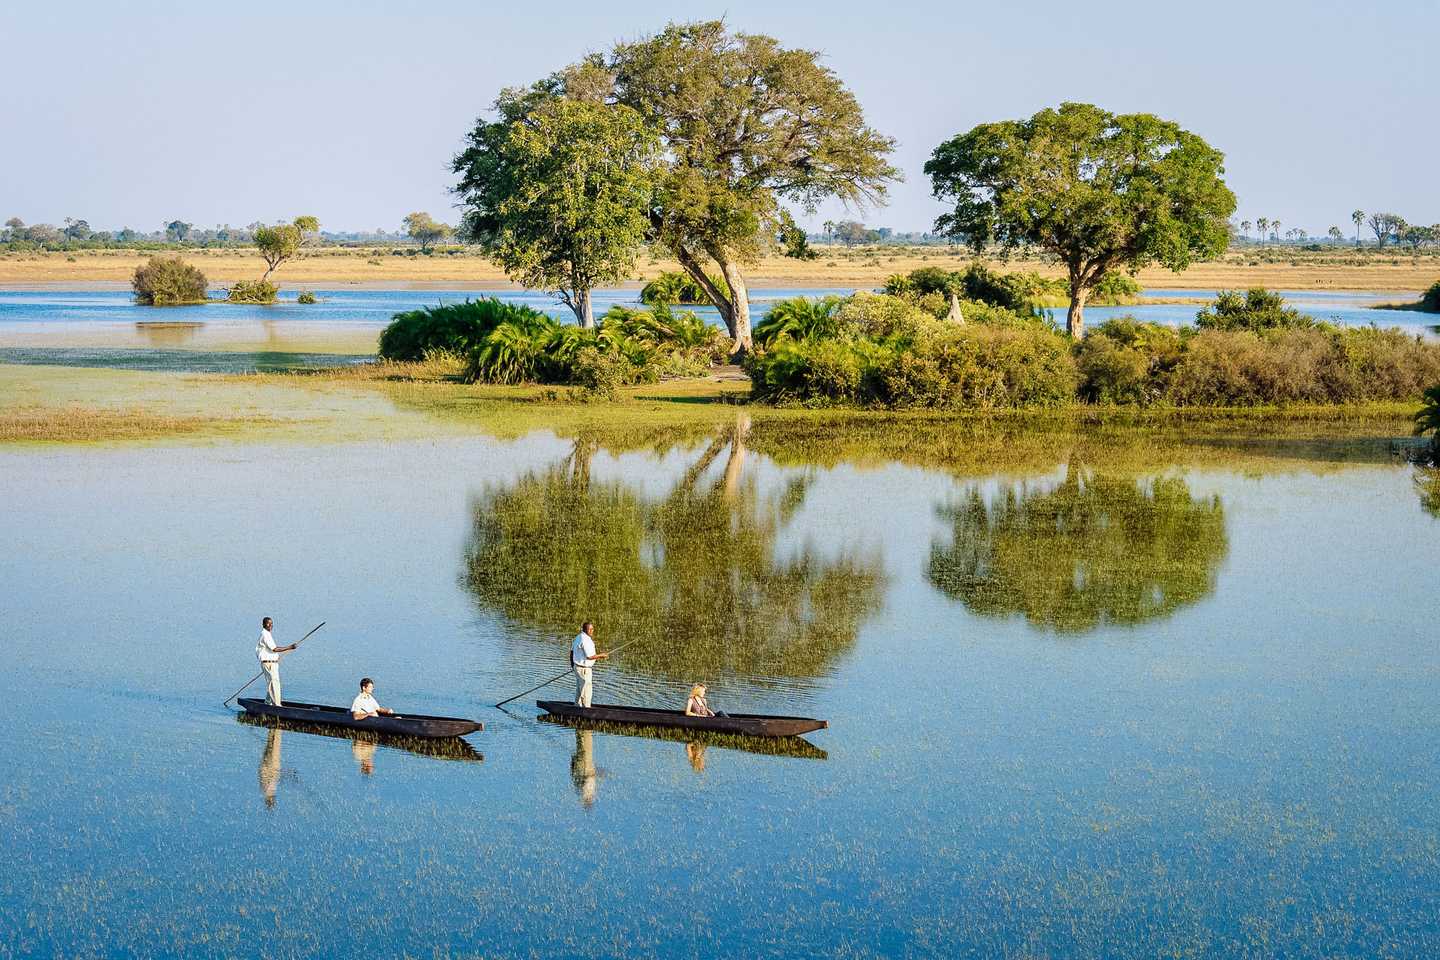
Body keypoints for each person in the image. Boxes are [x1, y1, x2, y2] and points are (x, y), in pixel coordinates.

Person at [255, 617, 298, 706]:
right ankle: (277, 706)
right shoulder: (265, 635)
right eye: (268, 623)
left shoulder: (268, 634)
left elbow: (271, 650)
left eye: (272, 624)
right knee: (274, 684)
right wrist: (290, 647)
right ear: (263, 625)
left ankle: (267, 703)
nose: (270, 625)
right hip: (268, 663)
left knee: (274, 683)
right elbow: (275, 649)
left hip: (272, 663)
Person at [570, 621, 608, 708]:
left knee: (580, 690)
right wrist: (601, 655)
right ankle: (586, 710)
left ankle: (577, 707)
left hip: (578, 668)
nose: (592, 631)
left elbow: (571, 652)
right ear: (584, 629)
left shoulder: (578, 637)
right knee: (586, 691)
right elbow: (589, 656)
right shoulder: (585, 639)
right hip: (584, 669)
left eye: (592, 629)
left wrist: (573, 666)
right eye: (589, 629)